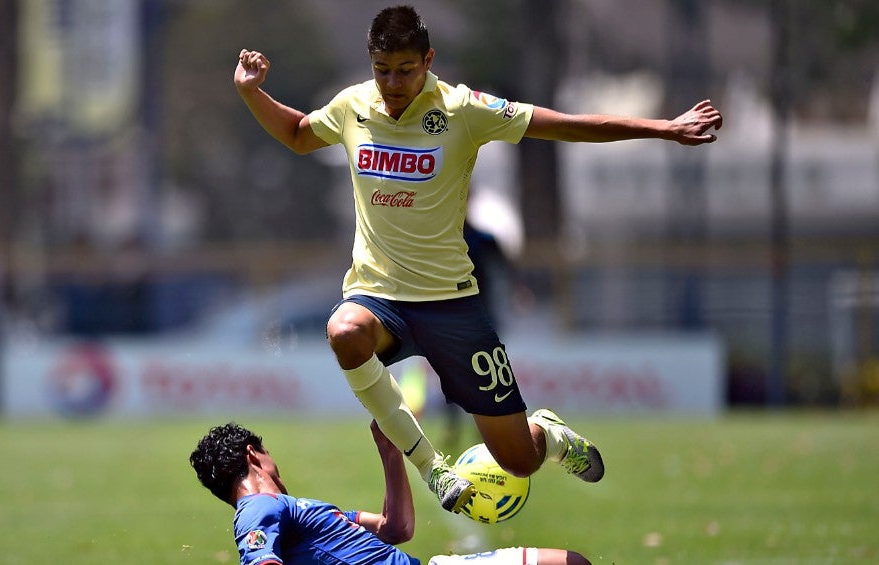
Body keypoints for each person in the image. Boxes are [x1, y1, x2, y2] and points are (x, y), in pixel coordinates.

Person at [233, 5, 723, 513]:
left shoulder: (463, 109)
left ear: (428, 59)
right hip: (379, 296)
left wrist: (663, 128)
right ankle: (432, 467)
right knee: (344, 331)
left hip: (451, 307)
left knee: (518, 460)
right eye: (382, 70)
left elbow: (565, 126)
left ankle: (549, 436)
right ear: (370, 63)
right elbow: (296, 134)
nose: (392, 82)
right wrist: (251, 91)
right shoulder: (353, 105)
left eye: (405, 69)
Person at [190, 420, 592, 565]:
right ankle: (544, 434)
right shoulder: (256, 509)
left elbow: (395, 528)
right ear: (254, 454)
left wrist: (390, 451)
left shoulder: (297, 512)